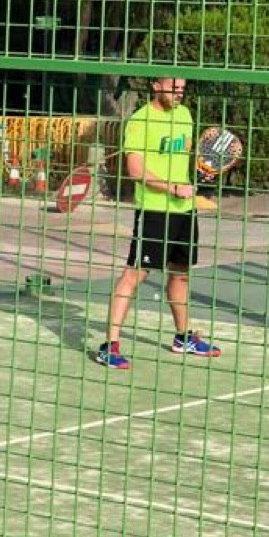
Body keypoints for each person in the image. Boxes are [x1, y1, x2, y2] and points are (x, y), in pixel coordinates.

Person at [95, 75, 221, 370]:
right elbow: (135, 170)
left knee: (181, 274)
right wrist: (172, 188)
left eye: (183, 88)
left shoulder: (185, 115)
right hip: (154, 211)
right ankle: (109, 346)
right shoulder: (141, 121)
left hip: (184, 211)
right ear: (155, 85)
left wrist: (201, 172)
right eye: (173, 87)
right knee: (134, 275)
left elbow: (184, 158)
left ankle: (183, 338)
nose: (179, 93)